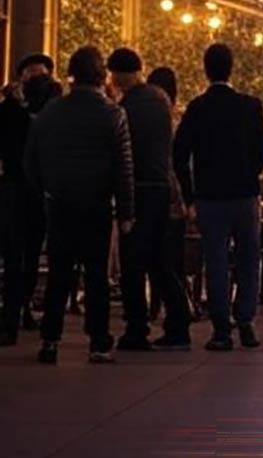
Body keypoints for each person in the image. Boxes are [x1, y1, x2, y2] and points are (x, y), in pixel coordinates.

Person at [24, 46, 135, 364]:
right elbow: (123, 166)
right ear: (101, 74)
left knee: (60, 272)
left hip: (59, 204)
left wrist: (47, 188)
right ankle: (98, 341)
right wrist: (126, 211)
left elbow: (30, 160)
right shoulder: (113, 113)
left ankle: (50, 339)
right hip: (97, 204)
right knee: (96, 275)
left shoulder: (51, 112)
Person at [173, 43, 263, 351]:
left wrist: (190, 195)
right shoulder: (251, 106)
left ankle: (221, 328)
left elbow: (179, 154)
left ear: (206, 69)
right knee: (248, 258)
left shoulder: (197, 107)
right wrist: (248, 173)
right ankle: (246, 321)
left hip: (210, 196)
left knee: (214, 260)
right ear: (231, 68)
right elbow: (262, 151)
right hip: (244, 193)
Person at [108, 48, 191, 352]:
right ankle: (178, 324)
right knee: (159, 261)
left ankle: (137, 328)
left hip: (139, 188)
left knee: (133, 262)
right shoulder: (159, 101)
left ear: (117, 74)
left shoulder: (128, 106)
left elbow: (123, 152)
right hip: (161, 188)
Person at [0, 54, 60, 346]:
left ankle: (22, 306)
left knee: (32, 253)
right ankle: (11, 315)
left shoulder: (52, 107)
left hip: (39, 189)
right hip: (14, 187)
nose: (35, 79)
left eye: (41, 74)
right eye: (30, 74)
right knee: (14, 254)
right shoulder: (9, 109)